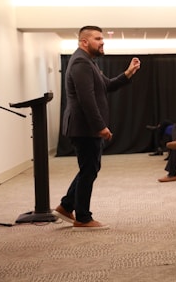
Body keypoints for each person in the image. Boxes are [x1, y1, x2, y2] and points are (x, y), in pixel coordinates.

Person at [52, 25, 141, 231]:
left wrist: (128, 73)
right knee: (89, 170)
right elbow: (87, 100)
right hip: (84, 128)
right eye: (97, 39)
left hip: (84, 127)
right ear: (84, 42)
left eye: (102, 39)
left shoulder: (87, 62)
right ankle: (82, 217)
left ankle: (66, 206)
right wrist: (100, 127)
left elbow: (106, 86)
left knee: (89, 169)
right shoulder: (81, 62)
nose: (102, 42)